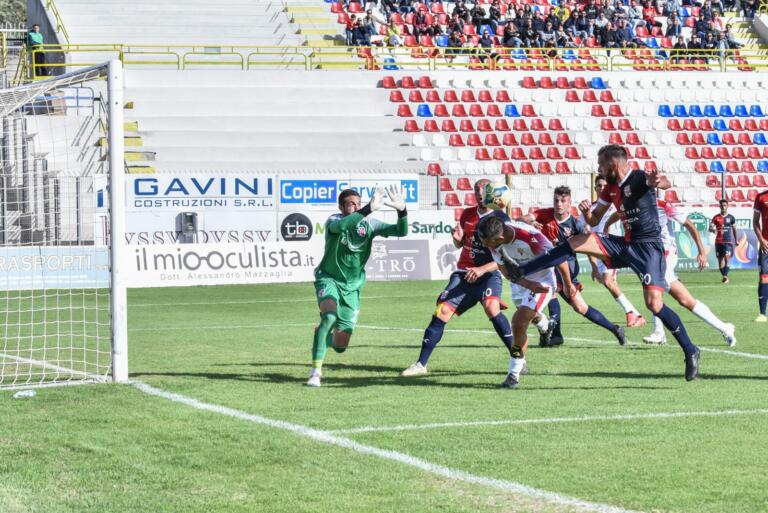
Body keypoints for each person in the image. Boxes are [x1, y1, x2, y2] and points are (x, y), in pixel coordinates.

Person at [499, 145, 701, 381]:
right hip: (625, 244)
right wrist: (586, 213)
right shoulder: (611, 188)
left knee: (654, 305)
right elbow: (594, 220)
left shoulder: (639, 178)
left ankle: (690, 350)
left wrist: (658, 182)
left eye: (601, 166)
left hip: (648, 249)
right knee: (575, 241)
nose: (599, 170)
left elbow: (663, 183)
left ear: (612, 164)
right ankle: (522, 269)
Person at [401, 180, 554, 377]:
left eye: (483, 190)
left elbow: (505, 259)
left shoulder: (501, 219)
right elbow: (460, 244)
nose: (480, 194)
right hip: (463, 273)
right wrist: (457, 240)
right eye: (476, 190)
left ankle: (518, 360)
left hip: (489, 274)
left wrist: (482, 269)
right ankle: (421, 364)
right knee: (442, 311)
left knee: (492, 308)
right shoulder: (467, 214)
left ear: (492, 194)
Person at [307, 186, 408, 387]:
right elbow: (343, 226)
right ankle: (315, 372)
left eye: (357, 204)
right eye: (350, 204)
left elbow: (401, 231)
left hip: (352, 287)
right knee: (329, 317)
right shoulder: (334, 221)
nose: (355, 207)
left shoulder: (369, 224)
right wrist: (368, 209)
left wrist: (402, 211)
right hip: (328, 279)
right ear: (341, 207)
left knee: (340, 346)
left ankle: (322, 334)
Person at [605, 199, 736, 346]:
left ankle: (659, 332)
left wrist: (701, 251)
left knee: (655, 286)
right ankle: (724, 328)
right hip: (653, 254)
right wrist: (606, 226)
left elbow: (689, 224)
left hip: (667, 251)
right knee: (685, 300)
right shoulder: (633, 204)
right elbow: (618, 213)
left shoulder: (662, 205)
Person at [523, 186, 627, 347]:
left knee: (557, 295)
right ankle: (614, 329)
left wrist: (594, 267)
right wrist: (531, 222)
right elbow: (523, 218)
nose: (559, 204)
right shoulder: (544, 215)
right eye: (556, 200)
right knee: (578, 306)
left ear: (569, 203)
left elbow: (589, 245)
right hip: (551, 268)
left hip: (568, 269)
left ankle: (553, 334)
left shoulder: (576, 224)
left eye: (563, 201)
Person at [477, 214, 564, 389]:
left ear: (499, 238)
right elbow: (505, 270)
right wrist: (526, 283)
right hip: (521, 281)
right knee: (528, 317)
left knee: (518, 322)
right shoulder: (495, 242)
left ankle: (513, 375)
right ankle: (546, 325)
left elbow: (559, 257)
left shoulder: (531, 237)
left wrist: (568, 285)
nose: (486, 246)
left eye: (488, 242)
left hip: (543, 283)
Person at [587, 176, 645, 327]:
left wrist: (608, 224)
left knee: (608, 281)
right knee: (609, 284)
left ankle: (632, 313)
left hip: (614, 247)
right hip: (598, 250)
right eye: (598, 186)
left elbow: (623, 213)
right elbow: (587, 238)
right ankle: (635, 314)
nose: (601, 188)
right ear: (595, 188)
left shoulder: (616, 204)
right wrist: (593, 266)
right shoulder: (591, 210)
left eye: (604, 186)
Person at [709, 199, 738, 283]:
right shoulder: (716, 217)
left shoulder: (731, 218)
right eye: (722, 205)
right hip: (718, 242)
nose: (723, 207)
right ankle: (725, 277)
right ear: (720, 206)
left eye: (725, 205)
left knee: (727, 258)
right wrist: (713, 229)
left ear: (727, 206)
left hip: (727, 241)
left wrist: (736, 240)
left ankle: (725, 276)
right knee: (720, 261)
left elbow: (734, 229)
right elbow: (710, 228)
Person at [753, 189, 768, 322]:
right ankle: (762, 314)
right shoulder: (761, 197)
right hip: (766, 245)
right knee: (763, 277)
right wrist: (762, 240)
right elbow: (755, 221)